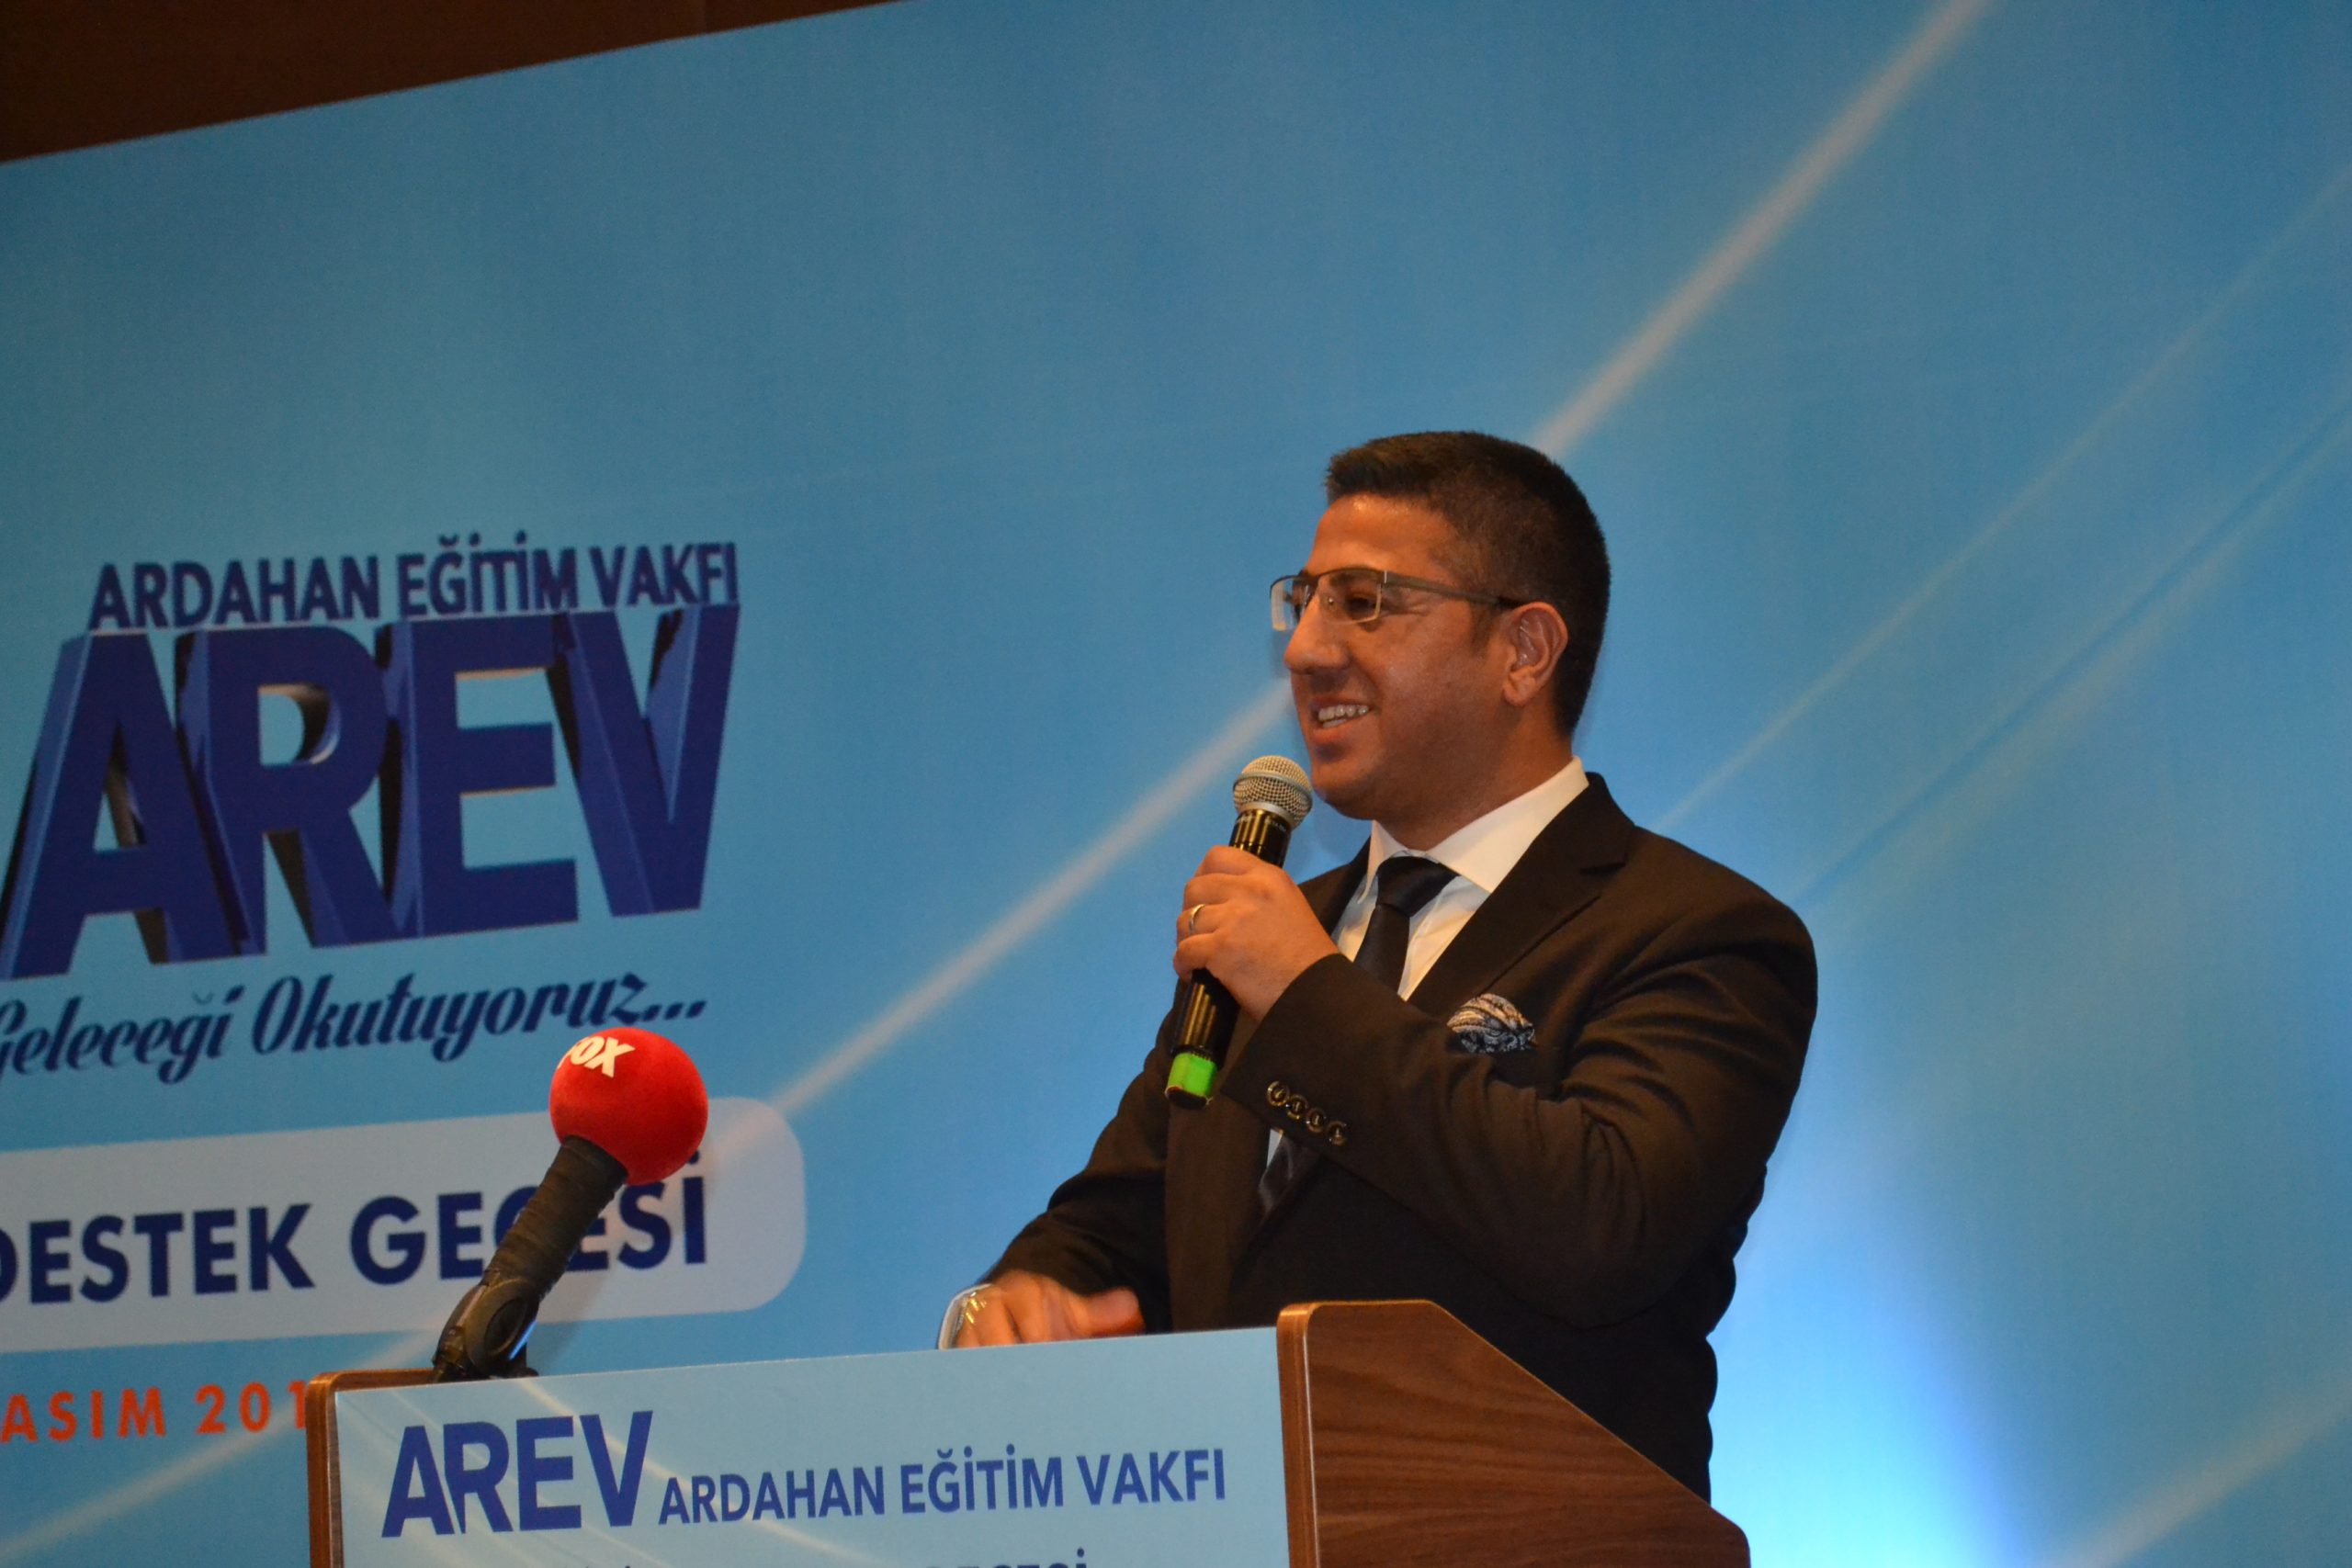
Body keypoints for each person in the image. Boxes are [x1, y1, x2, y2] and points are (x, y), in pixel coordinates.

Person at [944, 431, 1815, 1500]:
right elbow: (1117, 1228)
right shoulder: (1272, 938)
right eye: (1302, 599)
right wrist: (1012, 1305)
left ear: (1523, 650)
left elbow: (1602, 1226)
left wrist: (1308, 997)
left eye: (1363, 603)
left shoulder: (1696, 931)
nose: (1306, 651)